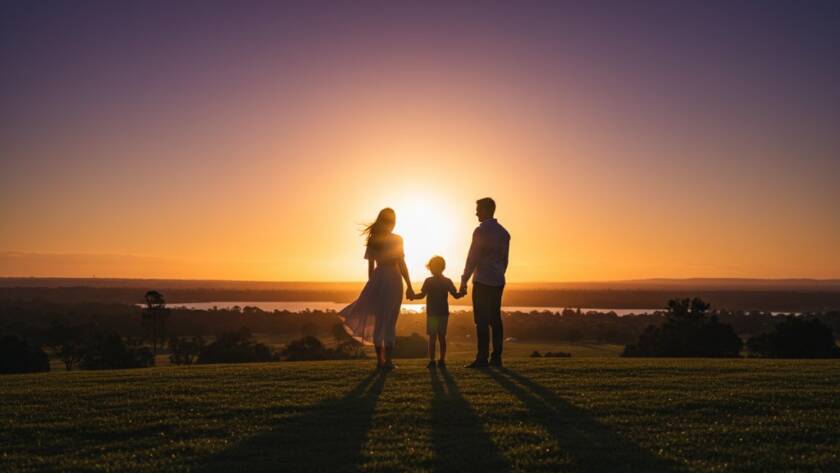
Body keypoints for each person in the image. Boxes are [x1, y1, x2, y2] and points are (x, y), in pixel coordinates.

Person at [339, 208, 415, 370]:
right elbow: (401, 264)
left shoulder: (374, 239)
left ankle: (381, 361)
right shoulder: (396, 239)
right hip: (392, 278)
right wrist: (409, 285)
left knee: (380, 320)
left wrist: (372, 284)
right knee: (389, 321)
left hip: (379, 278)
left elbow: (371, 267)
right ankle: (386, 361)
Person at [460, 197, 510, 368]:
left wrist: (464, 279)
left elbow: (472, 257)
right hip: (498, 280)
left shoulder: (480, 231)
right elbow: (505, 260)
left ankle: (482, 358)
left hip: (482, 280)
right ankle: (496, 358)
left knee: (481, 320)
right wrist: (498, 273)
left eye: (478, 210)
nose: (476, 213)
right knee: (495, 319)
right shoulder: (504, 233)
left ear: (487, 210)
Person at [408, 255, 464, 369]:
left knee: (437, 337)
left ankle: (438, 360)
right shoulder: (444, 281)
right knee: (437, 337)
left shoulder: (430, 281)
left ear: (440, 267)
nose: (433, 269)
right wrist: (462, 292)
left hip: (436, 314)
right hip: (438, 314)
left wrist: (413, 296)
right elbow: (456, 295)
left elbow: (422, 295)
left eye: (434, 267)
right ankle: (436, 360)